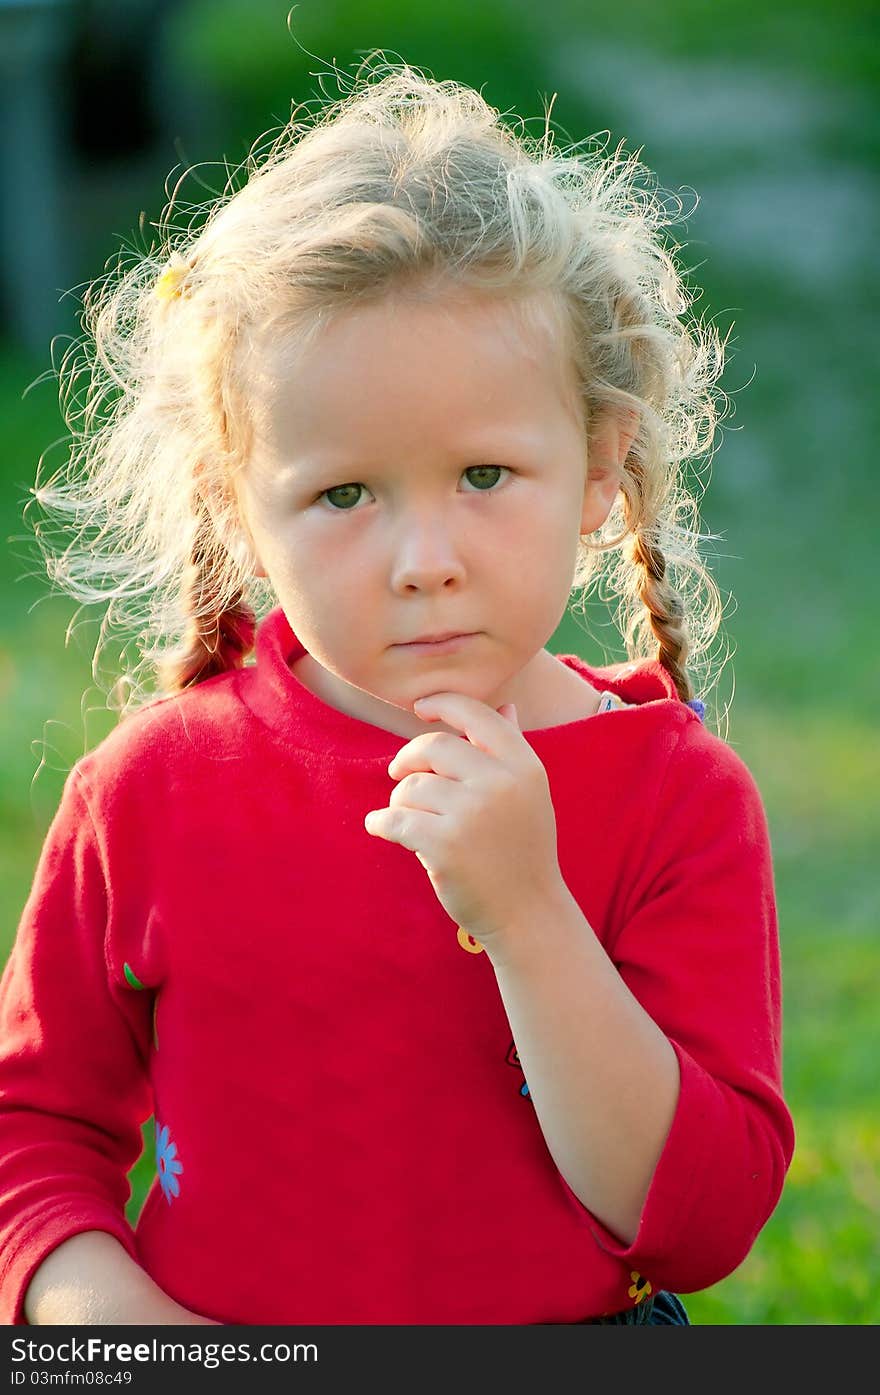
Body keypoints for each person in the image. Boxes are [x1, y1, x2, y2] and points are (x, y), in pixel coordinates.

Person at [0, 56, 794, 1326]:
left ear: (598, 468)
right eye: (344, 495)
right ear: (241, 516)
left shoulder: (673, 798)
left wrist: (528, 914)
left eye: (484, 475)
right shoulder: (151, 788)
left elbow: (700, 1228)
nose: (425, 563)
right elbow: (30, 1139)